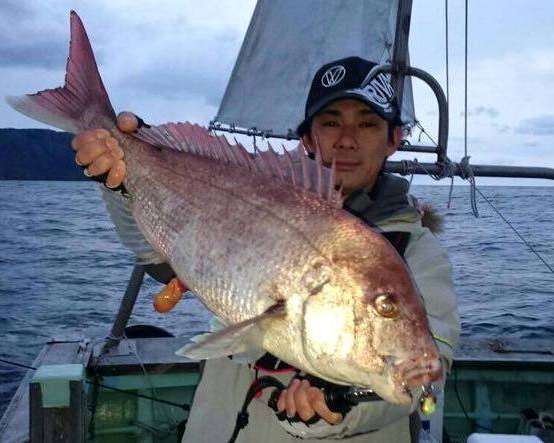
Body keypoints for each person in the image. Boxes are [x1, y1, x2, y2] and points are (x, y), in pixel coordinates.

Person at [72, 56, 460, 442]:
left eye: (368, 123)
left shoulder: (416, 251)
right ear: (307, 138)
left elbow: (427, 370)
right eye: (329, 122)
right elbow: (163, 262)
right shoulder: (254, 194)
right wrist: (122, 182)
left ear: (395, 139)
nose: (347, 138)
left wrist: (340, 404)